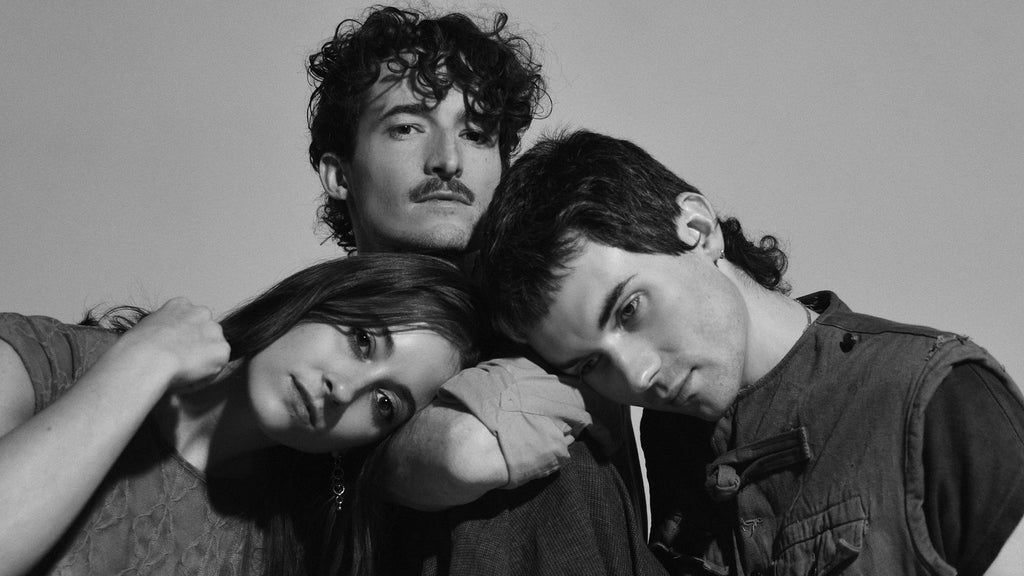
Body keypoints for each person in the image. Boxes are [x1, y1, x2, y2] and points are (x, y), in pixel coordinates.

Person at [477, 129, 1024, 576]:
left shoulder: (940, 397)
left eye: (630, 310)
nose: (638, 376)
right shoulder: (670, 442)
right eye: (591, 364)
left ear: (698, 229)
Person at [305, 7, 663, 576]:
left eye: (475, 134)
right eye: (407, 127)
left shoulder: (560, 319)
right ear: (338, 173)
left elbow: (480, 447)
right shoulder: (292, 345)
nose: (447, 161)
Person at [0, 253, 486, 576]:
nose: (344, 390)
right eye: (362, 340)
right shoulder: (51, 359)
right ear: (318, 300)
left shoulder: (280, 556)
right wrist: (143, 358)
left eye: (384, 404)